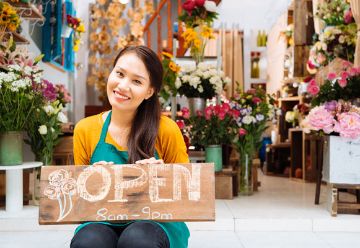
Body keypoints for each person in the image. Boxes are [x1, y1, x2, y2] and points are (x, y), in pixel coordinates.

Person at [71, 46, 190, 248]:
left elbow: (189, 192)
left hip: (156, 222)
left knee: (137, 239)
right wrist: (93, 180)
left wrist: (163, 177)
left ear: (149, 91)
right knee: (89, 241)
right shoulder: (85, 129)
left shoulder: (166, 130)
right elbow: (76, 198)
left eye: (136, 81)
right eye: (119, 74)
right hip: (101, 217)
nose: (123, 86)